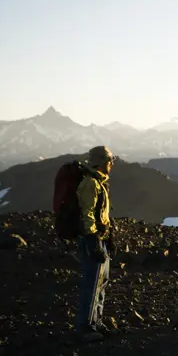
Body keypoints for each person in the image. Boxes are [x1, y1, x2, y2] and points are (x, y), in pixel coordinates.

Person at [76, 145, 117, 341]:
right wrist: (92, 241)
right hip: (92, 240)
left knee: (101, 283)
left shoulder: (99, 183)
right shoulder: (90, 184)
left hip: (101, 240)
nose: (112, 165)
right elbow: (88, 214)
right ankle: (85, 327)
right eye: (110, 161)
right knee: (92, 285)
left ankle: (96, 322)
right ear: (101, 162)